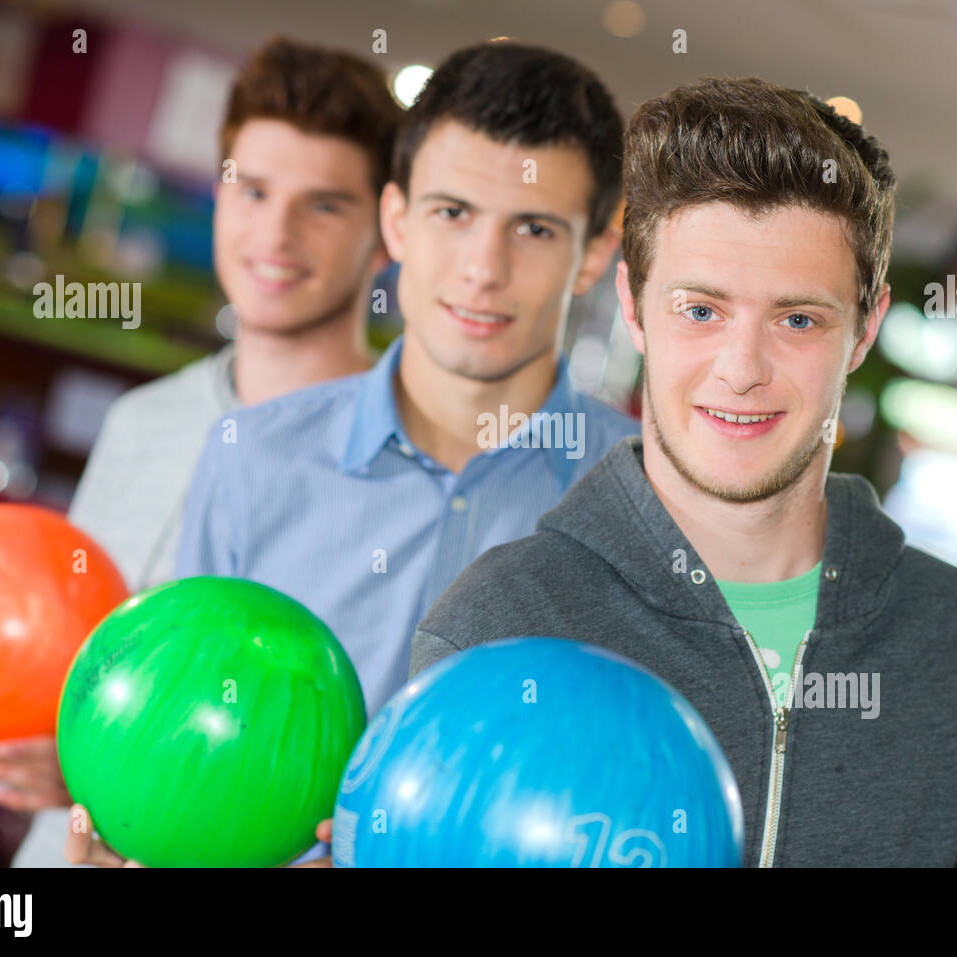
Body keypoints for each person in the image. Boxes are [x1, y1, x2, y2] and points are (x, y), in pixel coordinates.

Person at [408, 76, 957, 867]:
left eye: (798, 319)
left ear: (865, 329)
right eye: (701, 310)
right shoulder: (498, 626)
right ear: (635, 307)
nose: (742, 370)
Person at [64, 39, 638, 867]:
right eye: (452, 213)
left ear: (592, 251)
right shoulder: (252, 455)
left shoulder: (646, 500)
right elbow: (180, 739)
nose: (483, 269)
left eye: (535, 228)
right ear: (396, 218)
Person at [0, 37, 402, 867]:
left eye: (324, 204)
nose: (276, 233)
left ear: (384, 232)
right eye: (252, 190)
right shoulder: (143, 419)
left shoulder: (407, 472)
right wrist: (60, 749)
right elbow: (79, 659)